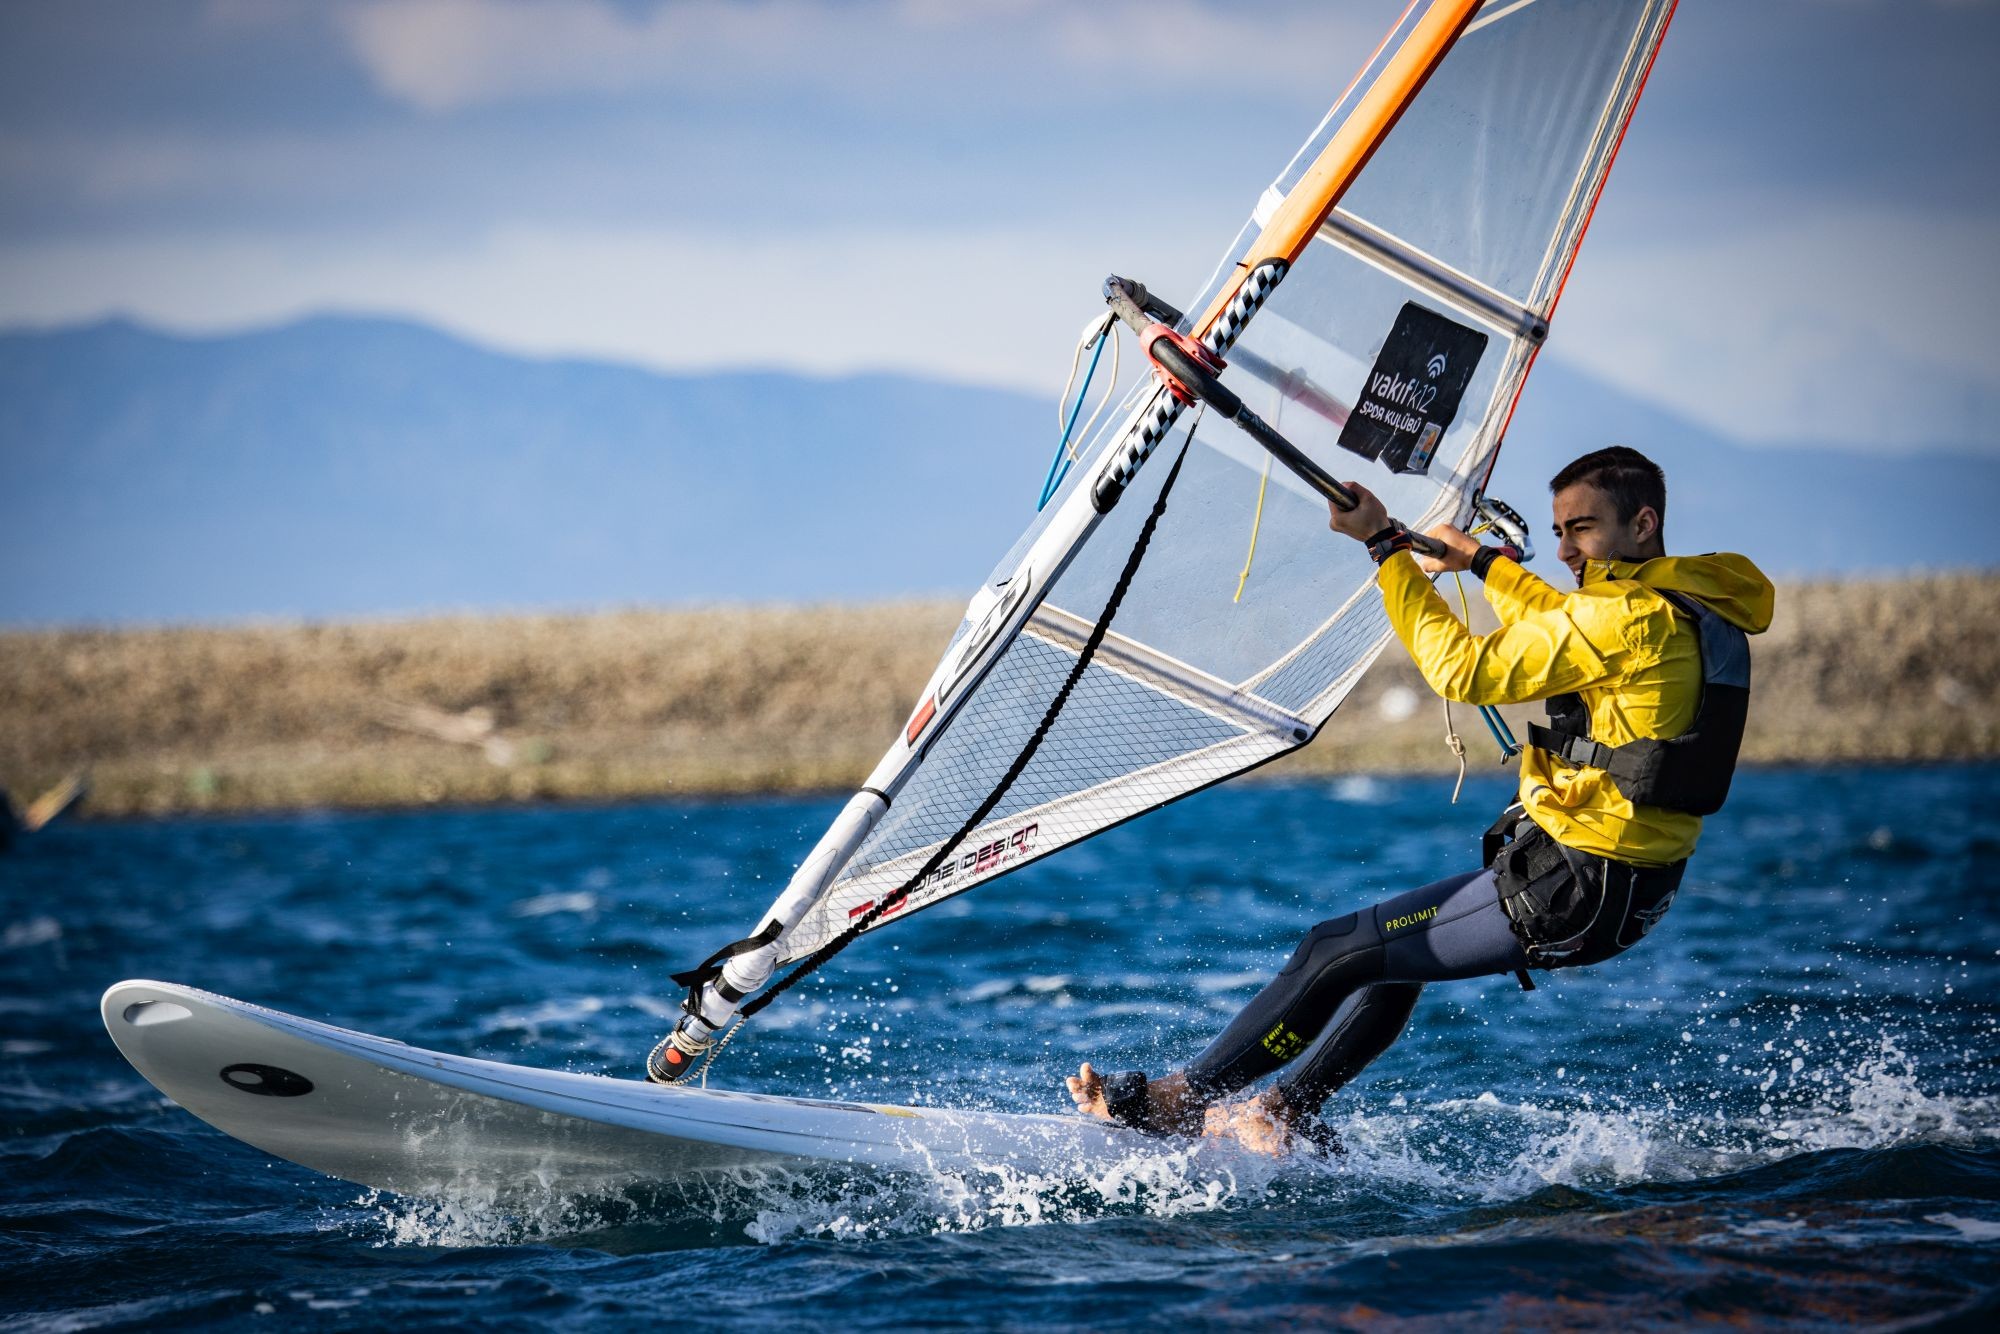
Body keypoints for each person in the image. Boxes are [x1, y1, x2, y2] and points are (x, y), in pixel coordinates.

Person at [1066, 446, 1774, 1152]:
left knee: (1332, 950)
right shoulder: (1680, 601)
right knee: (1392, 961)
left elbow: (1460, 667)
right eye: (1557, 531)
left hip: (1577, 883)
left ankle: (1180, 1102)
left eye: (1580, 529)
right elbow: (1569, 617)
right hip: (1618, 885)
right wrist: (1484, 564)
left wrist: (1383, 549)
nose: (1562, 549)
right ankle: (1282, 1111)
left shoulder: (1628, 617)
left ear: (1642, 523)